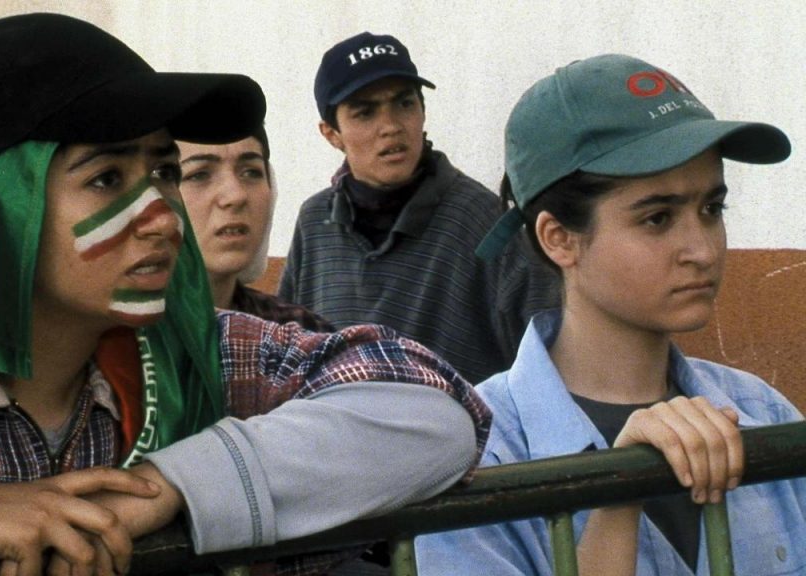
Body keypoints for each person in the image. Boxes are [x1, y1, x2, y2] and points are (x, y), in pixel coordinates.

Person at [0, 13, 492, 576]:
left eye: (162, 172)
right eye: (106, 179)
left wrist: (169, 486)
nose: (163, 217)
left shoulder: (196, 347)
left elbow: (436, 410)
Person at [415, 53, 804, 576]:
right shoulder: (481, 454)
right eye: (658, 218)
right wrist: (618, 499)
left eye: (712, 209)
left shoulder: (763, 414)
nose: (702, 250)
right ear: (559, 238)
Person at [278, 31, 560, 384]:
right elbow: (285, 357)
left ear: (423, 111)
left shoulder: (481, 220)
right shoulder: (315, 222)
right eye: (365, 112)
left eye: (405, 103)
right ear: (331, 134)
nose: (391, 126)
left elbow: (551, 356)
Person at [178, 125, 334, 331]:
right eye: (199, 175)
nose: (236, 195)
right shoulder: (136, 338)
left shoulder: (302, 333)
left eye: (251, 172)